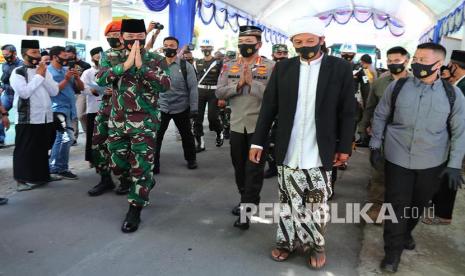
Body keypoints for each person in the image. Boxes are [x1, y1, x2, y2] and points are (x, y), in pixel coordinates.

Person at [249, 17, 355, 269]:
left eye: (310, 40)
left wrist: (344, 147)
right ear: (292, 43)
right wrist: (258, 142)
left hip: (321, 149)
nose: (305, 45)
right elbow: (269, 108)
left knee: (316, 203)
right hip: (289, 147)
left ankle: (314, 244)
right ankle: (286, 242)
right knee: (287, 201)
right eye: (299, 41)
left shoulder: (339, 68)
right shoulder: (283, 68)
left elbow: (348, 111)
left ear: (321, 41)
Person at [369, 43, 465, 273]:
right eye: (416, 58)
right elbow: (380, 116)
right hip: (397, 157)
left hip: (432, 161)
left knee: (418, 205)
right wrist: (374, 145)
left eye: (423, 59)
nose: (417, 63)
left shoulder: (453, 94)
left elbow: (460, 132)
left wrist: (454, 165)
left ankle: (407, 232)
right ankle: (392, 252)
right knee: (397, 205)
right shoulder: (398, 87)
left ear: (438, 64)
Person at [96, 19, 170, 233]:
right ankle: (142, 180)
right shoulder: (109, 56)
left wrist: (141, 68)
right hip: (117, 120)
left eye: (139, 38)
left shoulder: (155, 59)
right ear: (122, 38)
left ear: (144, 37)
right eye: (130, 38)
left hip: (145, 123)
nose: (135, 42)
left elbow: (165, 85)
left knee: (141, 166)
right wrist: (125, 66)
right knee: (117, 163)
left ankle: (135, 209)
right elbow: (101, 79)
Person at [215, 25, 275, 228]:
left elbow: (275, 98)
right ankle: (245, 199)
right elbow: (219, 92)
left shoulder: (271, 66)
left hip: (259, 127)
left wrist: (253, 84)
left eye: (249, 43)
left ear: (259, 44)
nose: (244, 46)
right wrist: (238, 86)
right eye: (241, 42)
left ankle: (247, 211)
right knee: (239, 167)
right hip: (237, 124)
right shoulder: (229, 65)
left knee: (254, 170)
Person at [358, 46, 410, 222]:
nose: (393, 64)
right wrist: (362, 128)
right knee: (379, 171)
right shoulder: (380, 82)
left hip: (407, 137)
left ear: (407, 61)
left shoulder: (417, 82)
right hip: (382, 134)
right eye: (389, 60)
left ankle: (398, 209)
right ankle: (376, 207)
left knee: (402, 174)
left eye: (397, 60)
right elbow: (370, 107)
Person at [10, 39, 61, 191]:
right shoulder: (18, 72)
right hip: (27, 118)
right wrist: (39, 76)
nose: (37, 55)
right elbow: (24, 93)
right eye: (33, 52)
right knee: (24, 150)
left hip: (45, 117)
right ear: (24, 54)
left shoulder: (43, 70)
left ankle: (42, 176)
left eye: (38, 52)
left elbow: (54, 91)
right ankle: (22, 180)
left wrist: (42, 75)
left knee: (42, 149)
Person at [88, 20, 130, 197]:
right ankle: (105, 179)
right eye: (109, 36)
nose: (113, 38)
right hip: (107, 105)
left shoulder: (135, 53)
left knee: (122, 146)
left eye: (116, 35)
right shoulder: (106, 55)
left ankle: (126, 180)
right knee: (98, 142)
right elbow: (102, 78)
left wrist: (115, 75)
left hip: (128, 108)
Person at [424, 49, 465, 226]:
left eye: (450, 66)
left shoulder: (463, 86)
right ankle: (435, 207)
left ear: (455, 66)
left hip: (456, 137)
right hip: (448, 138)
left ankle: (443, 214)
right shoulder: (458, 83)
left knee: (450, 173)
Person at [154, 36, 198, 174]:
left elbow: (193, 88)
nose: (168, 47)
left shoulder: (186, 66)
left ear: (177, 48)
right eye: (166, 45)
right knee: (156, 137)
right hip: (162, 107)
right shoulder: (156, 66)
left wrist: (194, 108)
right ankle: (154, 163)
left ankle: (191, 159)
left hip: (181, 107)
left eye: (171, 45)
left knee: (186, 135)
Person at [48, 46, 83, 179]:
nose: (66, 60)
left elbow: (81, 88)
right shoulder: (49, 72)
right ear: (55, 57)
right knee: (65, 137)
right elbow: (54, 91)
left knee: (64, 138)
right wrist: (67, 79)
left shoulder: (65, 70)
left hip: (70, 108)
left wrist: (77, 78)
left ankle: (57, 166)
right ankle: (58, 167)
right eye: (64, 57)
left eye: (68, 57)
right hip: (58, 108)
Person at [193, 38, 224, 152]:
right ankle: (200, 144)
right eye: (204, 47)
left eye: (208, 47)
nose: (206, 49)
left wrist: (222, 96)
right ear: (201, 48)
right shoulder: (197, 62)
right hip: (200, 91)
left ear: (212, 48)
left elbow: (222, 79)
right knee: (197, 119)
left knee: (212, 117)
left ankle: (219, 131)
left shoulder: (218, 62)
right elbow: (195, 78)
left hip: (214, 92)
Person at [264, 44, 290, 179]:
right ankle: (273, 166)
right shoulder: (266, 67)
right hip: (268, 107)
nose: (281, 56)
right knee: (269, 141)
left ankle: (284, 167)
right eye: (278, 54)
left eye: (284, 53)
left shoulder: (294, 68)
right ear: (273, 54)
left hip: (286, 109)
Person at [80, 47, 103, 166]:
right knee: (92, 135)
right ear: (92, 58)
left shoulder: (110, 70)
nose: (99, 58)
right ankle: (91, 159)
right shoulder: (87, 72)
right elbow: (82, 88)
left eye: (101, 55)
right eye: (96, 56)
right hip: (93, 108)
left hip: (108, 108)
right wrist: (92, 91)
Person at [65, 45, 91, 144]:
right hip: (69, 91)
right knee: (72, 116)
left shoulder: (84, 65)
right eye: (66, 52)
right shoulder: (65, 64)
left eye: (69, 52)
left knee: (80, 115)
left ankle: (89, 134)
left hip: (81, 92)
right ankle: (73, 137)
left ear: (74, 53)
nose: (67, 54)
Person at [1, 44, 23, 145]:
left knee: (22, 120)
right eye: (3, 54)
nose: (5, 56)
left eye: (7, 54)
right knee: (1, 114)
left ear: (14, 53)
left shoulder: (22, 65)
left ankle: (22, 141)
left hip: (19, 97)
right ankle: (1, 139)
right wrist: (2, 87)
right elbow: (4, 80)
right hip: (8, 95)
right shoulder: (4, 65)